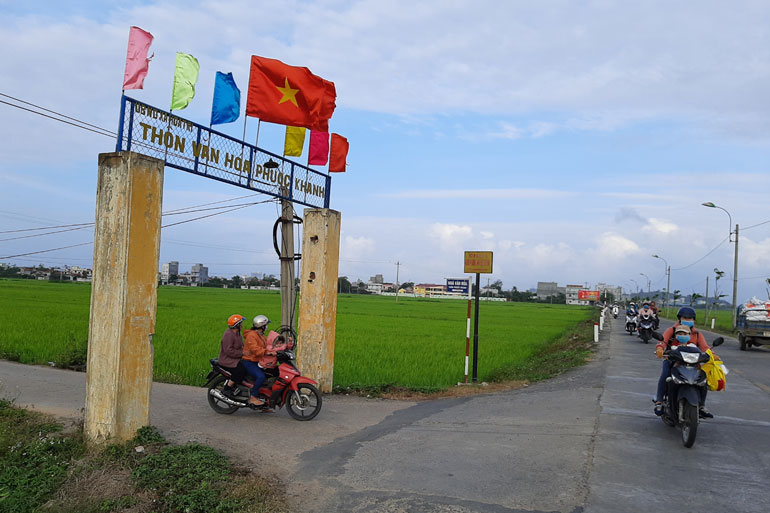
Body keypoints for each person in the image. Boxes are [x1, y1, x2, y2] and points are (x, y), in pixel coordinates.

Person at [653, 307, 713, 418]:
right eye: (685, 317)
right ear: (680, 318)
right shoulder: (672, 330)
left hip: (693, 364)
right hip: (672, 361)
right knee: (665, 376)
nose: (688, 319)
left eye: (690, 318)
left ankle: (701, 406)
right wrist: (660, 348)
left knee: (703, 381)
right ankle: (660, 401)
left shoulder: (697, 334)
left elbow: (705, 347)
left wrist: (713, 355)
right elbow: (663, 340)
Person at [241, 315, 275, 409]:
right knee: (261, 376)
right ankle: (253, 397)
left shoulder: (261, 336)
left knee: (270, 375)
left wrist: (283, 345)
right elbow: (255, 349)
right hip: (249, 362)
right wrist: (267, 352)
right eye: (266, 325)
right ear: (262, 326)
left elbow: (270, 344)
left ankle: (264, 402)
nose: (267, 327)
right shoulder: (252, 335)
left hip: (257, 361)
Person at [218, 314, 247, 399]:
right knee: (240, 370)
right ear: (236, 325)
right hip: (227, 360)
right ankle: (227, 388)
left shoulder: (237, 334)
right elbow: (228, 351)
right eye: (241, 323)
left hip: (235, 358)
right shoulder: (229, 334)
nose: (242, 325)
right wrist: (242, 353)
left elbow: (242, 346)